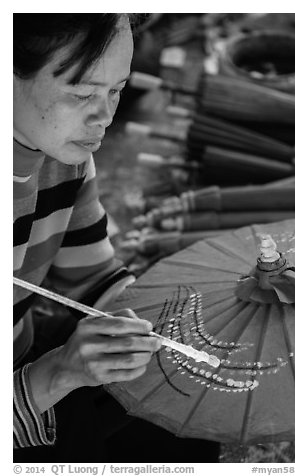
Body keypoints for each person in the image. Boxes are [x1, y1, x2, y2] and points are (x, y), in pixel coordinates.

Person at [13, 13, 220, 463]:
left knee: (185, 419)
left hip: (24, 348)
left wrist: (172, 324)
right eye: (83, 93)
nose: (104, 117)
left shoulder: (59, 152)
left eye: (117, 90)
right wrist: (54, 377)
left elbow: (92, 278)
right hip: (24, 389)